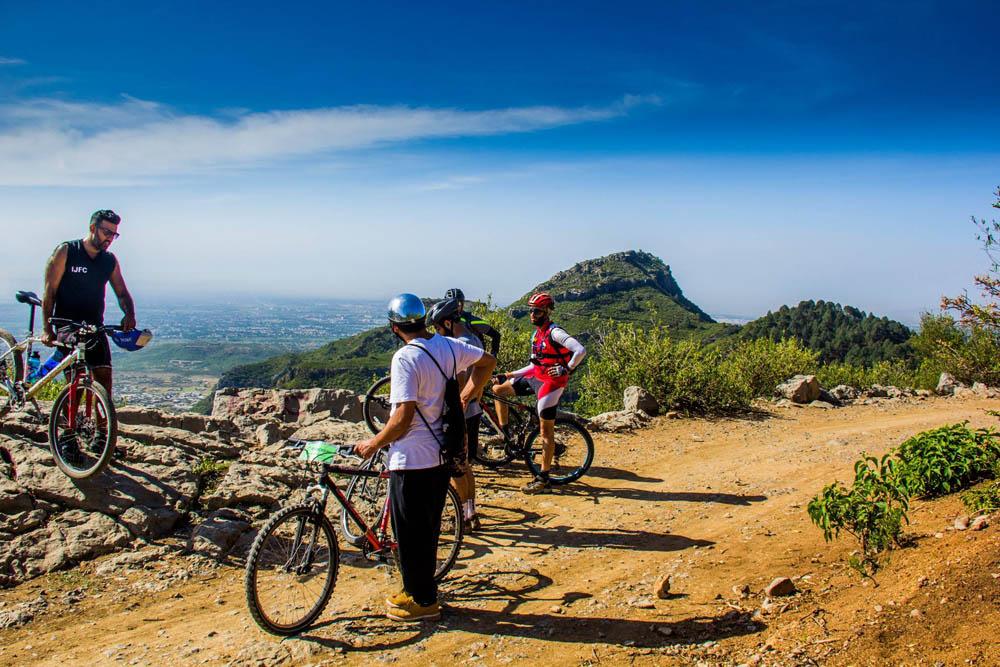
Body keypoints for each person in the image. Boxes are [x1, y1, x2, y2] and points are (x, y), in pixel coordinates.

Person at [355, 293, 496, 622]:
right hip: (441, 455)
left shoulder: (404, 358)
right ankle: (416, 590)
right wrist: (465, 397)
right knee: (427, 529)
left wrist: (374, 443)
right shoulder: (447, 346)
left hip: (412, 459)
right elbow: (487, 362)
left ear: (394, 328)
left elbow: (402, 418)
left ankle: (423, 601)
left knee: (409, 533)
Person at [492, 292, 586, 494]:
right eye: (531, 310)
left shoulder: (554, 332)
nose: (532, 314)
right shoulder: (536, 334)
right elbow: (533, 366)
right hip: (536, 377)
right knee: (498, 390)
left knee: (545, 432)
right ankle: (506, 434)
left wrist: (567, 369)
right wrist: (508, 374)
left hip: (551, 383)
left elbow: (580, 350)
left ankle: (543, 479)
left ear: (547, 312)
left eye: (537, 311)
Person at [41, 209, 136, 396]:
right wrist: (47, 328)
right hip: (67, 326)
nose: (109, 239)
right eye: (106, 232)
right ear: (93, 228)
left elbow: (122, 293)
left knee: (104, 379)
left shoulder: (109, 260)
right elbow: (49, 291)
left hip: (94, 327)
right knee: (76, 382)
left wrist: (129, 314)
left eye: (114, 234)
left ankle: (104, 425)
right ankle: (70, 424)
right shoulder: (67, 251)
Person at [427, 298, 484, 531]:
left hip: (459, 413)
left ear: (448, 324)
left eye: (437, 327)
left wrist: (460, 399)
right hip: (473, 410)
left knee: (455, 469)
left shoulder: (456, 345)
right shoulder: (474, 338)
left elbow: (459, 380)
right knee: (465, 466)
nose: (436, 333)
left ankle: (462, 519)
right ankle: (470, 514)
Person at [445, 288, 501, 356]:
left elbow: (496, 335)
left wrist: (493, 354)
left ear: (462, 304)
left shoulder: (471, 320)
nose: (456, 306)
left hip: (474, 361)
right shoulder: (443, 322)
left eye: (458, 303)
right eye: (451, 303)